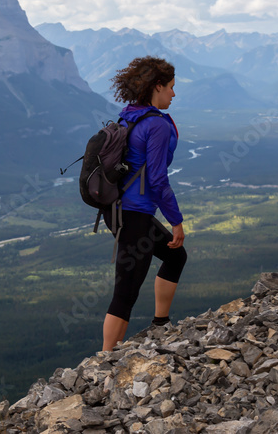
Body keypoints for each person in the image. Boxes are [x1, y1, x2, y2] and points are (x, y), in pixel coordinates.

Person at [101, 56, 186, 352]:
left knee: (175, 256)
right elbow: (158, 179)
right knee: (126, 289)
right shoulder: (157, 125)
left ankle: (160, 325)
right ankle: (105, 361)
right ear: (158, 86)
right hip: (134, 216)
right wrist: (176, 220)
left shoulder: (130, 115)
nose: (174, 94)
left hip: (118, 210)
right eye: (171, 88)